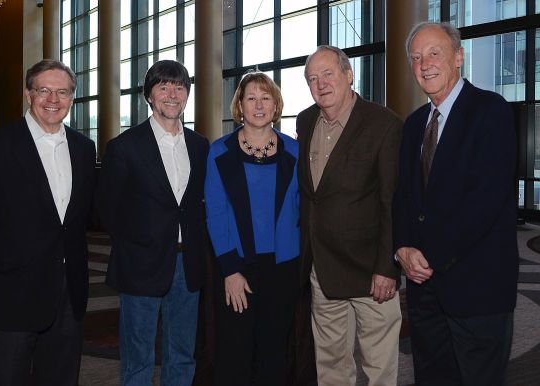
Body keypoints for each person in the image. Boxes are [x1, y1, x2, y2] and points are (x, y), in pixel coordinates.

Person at [0, 59, 96, 385]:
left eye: (62, 92)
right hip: (10, 293)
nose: (53, 100)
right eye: (44, 90)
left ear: (72, 99)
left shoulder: (84, 149)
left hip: (67, 293)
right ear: (28, 94)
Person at [394, 22, 518, 386]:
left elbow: (486, 200)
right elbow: (403, 195)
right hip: (424, 293)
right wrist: (401, 247)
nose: (425, 64)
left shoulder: (490, 111)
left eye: (434, 53)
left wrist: (426, 253)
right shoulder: (415, 124)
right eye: (416, 58)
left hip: (477, 289)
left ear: (459, 57)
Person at [97, 60, 209, 386]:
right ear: (149, 95)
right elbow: (107, 208)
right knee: (138, 356)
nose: (172, 94)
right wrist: (138, 242)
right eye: (163, 86)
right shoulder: (124, 147)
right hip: (140, 264)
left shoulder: (201, 146)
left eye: (179, 87)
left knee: (183, 352)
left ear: (187, 94)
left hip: (188, 264)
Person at [296, 45, 403, 386]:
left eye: (328, 74)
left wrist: (387, 268)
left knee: (378, 369)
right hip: (323, 270)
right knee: (330, 366)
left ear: (348, 74)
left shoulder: (383, 123)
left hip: (371, 274)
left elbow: (391, 202)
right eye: (312, 78)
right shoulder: (306, 120)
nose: (321, 84)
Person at [205, 71, 300, 386]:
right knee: (235, 352)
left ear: (275, 105)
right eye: (251, 98)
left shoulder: (294, 152)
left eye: (266, 97)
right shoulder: (220, 152)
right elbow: (216, 214)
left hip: (284, 268)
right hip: (237, 267)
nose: (259, 105)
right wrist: (230, 270)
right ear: (240, 107)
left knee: (275, 351)